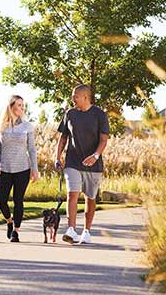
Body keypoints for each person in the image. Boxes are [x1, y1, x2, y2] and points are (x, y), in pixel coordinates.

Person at [55, 84, 110, 244]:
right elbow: (63, 138)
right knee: (72, 193)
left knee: (90, 198)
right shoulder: (70, 114)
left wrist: (95, 155)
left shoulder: (100, 114)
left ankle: (86, 231)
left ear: (85, 97)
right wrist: (57, 157)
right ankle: (71, 230)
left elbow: (103, 140)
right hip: (73, 161)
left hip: (93, 164)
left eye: (75, 97)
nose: (72, 99)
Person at [0, 95, 39, 242]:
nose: (22, 108)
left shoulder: (27, 126)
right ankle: (9, 221)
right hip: (4, 169)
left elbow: (32, 149)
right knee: (2, 202)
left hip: (23, 169)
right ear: (11, 106)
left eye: (23, 105)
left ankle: (16, 232)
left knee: (18, 200)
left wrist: (35, 169)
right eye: (19, 105)